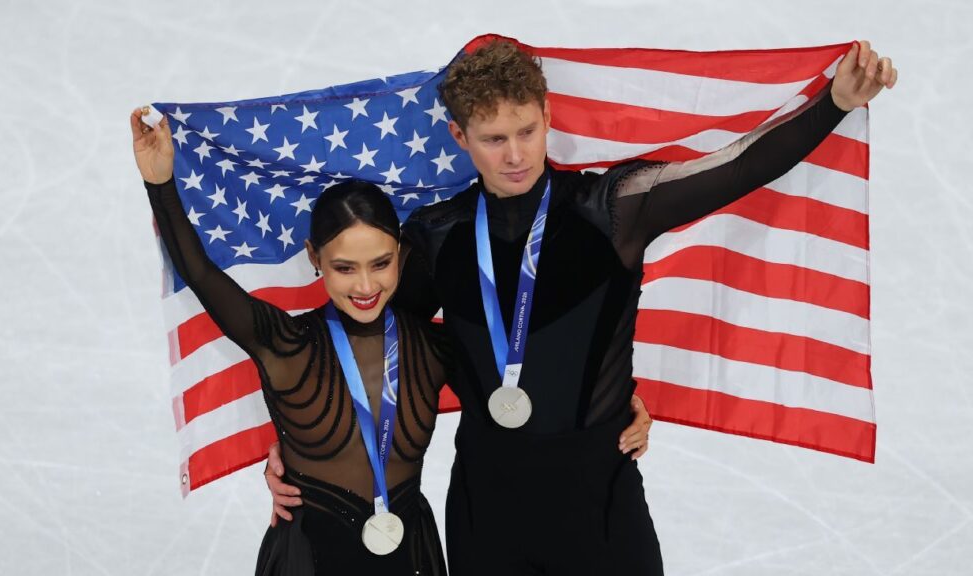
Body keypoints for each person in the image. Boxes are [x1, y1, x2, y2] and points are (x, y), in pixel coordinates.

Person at [265, 38, 897, 575]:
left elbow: (734, 169)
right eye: (492, 138)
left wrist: (835, 104)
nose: (514, 154)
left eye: (526, 131)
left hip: (601, 494)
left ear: (547, 115)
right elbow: (357, 333)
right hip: (490, 504)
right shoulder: (435, 237)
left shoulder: (613, 209)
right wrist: (300, 448)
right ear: (459, 136)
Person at [131, 109, 450, 574]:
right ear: (314, 258)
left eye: (380, 264)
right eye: (345, 267)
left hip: (409, 556)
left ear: (401, 255)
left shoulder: (431, 345)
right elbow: (200, 273)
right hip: (307, 558)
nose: (365, 286)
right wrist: (160, 184)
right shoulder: (287, 345)